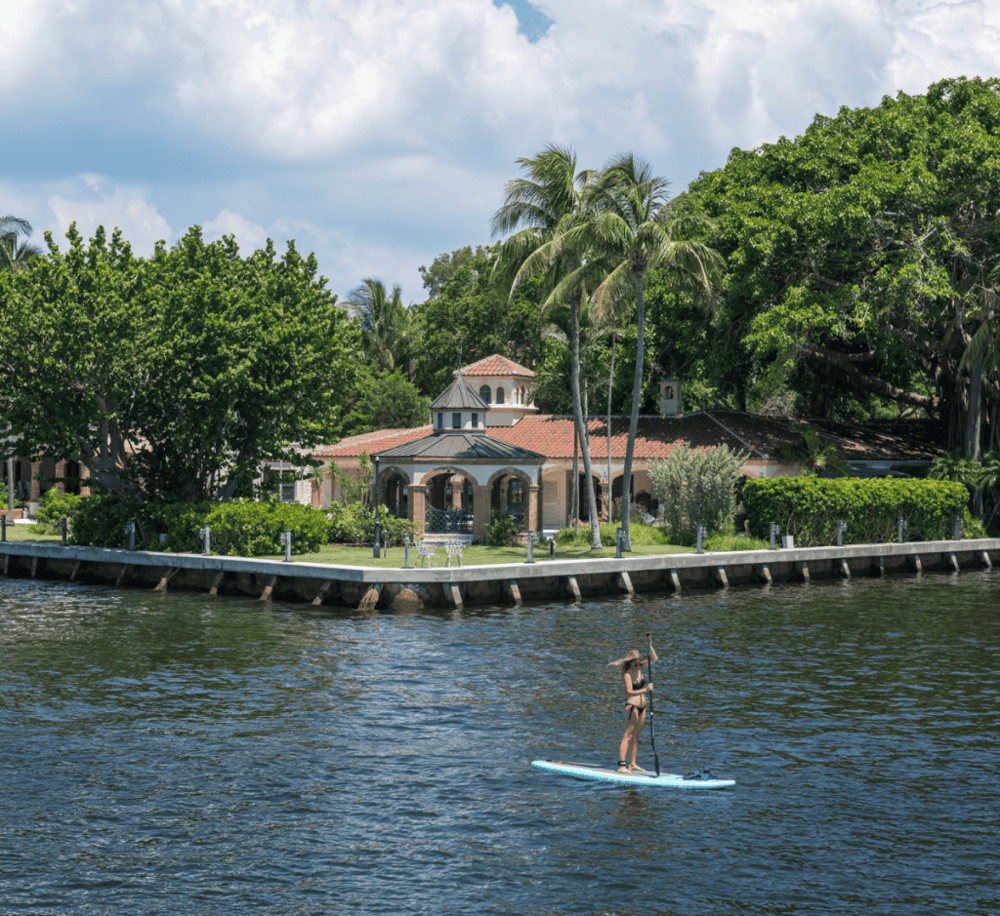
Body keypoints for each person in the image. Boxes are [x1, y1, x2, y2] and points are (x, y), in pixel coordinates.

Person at [610, 645, 658, 773]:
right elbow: (628, 692)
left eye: (638, 664)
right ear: (630, 663)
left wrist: (649, 645)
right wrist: (645, 690)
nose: (637, 666)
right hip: (633, 706)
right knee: (628, 736)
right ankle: (621, 766)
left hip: (643, 707)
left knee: (636, 737)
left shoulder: (640, 669)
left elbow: (653, 658)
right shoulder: (628, 673)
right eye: (634, 664)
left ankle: (632, 764)